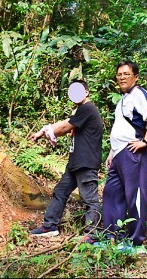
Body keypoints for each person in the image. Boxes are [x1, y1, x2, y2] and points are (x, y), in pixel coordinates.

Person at [28, 79, 104, 240]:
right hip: (76, 163)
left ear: (87, 92)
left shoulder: (88, 108)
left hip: (86, 163)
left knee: (89, 198)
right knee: (60, 192)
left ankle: (92, 234)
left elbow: (64, 127)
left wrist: (44, 131)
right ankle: (49, 226)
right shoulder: (81, 112)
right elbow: (65, 126)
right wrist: (45, 131)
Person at [102, 60, 147, 249]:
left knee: (135, 196)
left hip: (132, 153)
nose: (121, 77)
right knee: (111, 194)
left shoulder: (139, 94)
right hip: (118, 155)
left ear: (135, 77)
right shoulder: (122, 101)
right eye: (119, 74)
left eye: (126, 74)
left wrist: (145, 141)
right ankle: (113, 237)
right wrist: (111, 153)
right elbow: (121, 127)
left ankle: (136, 243)